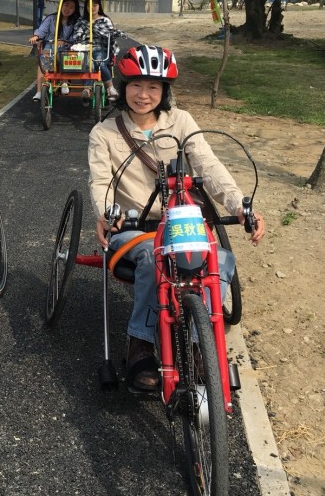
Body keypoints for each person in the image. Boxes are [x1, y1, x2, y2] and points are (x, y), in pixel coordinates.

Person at [88, 44, 265, 391]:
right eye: (136, 85)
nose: (143, 94)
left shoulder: (182, 122)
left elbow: (209, 167)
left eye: (153, 87)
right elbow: (99, 181)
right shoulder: (104, 133)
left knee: (222, 262)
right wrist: (106, 213)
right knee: (154, 263)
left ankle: (203, 347)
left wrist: (240, 207)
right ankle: (140, 345)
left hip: (182, 225)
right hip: (136, 229)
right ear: (123, 87)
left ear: (164, 91)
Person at [29, 0, 80, 101]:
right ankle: (39, 91)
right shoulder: (51, 18)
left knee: (68, 57)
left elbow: (76, 35)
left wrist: (65, 41)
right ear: (61, 5)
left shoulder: (76, 22)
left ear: (75, 10)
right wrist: (36, 36)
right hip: (50, 45)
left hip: (67, 47)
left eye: (71, 7)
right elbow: (42, 30)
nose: (68, 9)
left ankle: (65, 82)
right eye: (66, 5)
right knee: (43, 62)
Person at [72, 0, 119, 105]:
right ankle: (87, 90)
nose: (92, 8)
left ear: (99, 6)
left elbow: (110, 35)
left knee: (99, 62)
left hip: (100, 48)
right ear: (86, 7)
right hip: (85, 49)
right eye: (89, 5)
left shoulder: (105, 20)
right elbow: (76, 36)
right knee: (87, 64)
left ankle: (110, 88)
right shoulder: (82, 21)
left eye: (95, 5)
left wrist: (96, 30)